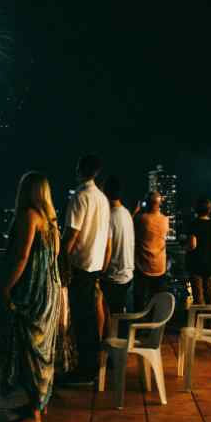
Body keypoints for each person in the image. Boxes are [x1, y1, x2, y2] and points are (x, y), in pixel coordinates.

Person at [1, 172, 62, 422]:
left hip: (33, 293)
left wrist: (6, 287)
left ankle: (34, 414)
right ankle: (39, 405)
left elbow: (22, 257)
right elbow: (54, 256)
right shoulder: (51, 221)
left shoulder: (29, 216)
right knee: (43, 350)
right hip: (51, 290)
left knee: (30, 351)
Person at [62, 154, 110, 382]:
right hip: (96, 266)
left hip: (80, 267)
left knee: (81, 319)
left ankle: (84, 369)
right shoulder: (102, 199)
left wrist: (59, 260)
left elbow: (72, 234)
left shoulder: (80, 197)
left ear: (80, 169)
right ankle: (90, 367)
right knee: (90, 318)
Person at [100, 176, 134, 334]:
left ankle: (112, 355)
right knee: (121, 319)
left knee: (110, 320)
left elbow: (107, 250)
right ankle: (121, 352)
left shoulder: (109, 217)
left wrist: (100, 273)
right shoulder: (127, 214)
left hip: (113, 277)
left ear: (106, 193)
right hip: (127, 274)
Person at [133, 191, 170, 312]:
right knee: (157, 300)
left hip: (142, 265)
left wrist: (136, 210)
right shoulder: (165, 220)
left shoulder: (141, 219)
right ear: (159, 204)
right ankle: (156, 327)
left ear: (147, 203)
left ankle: (140, 327)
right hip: (159, 266)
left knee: (139, 300)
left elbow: (131, 227)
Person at [187, 197, 211, 305]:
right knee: (210, 292)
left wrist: (186, 248)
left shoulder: (194, 224)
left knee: (198, 295)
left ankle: (200, 320)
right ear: (210, 210)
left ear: (196, 210)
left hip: (196, 263)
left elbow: (192, 244)